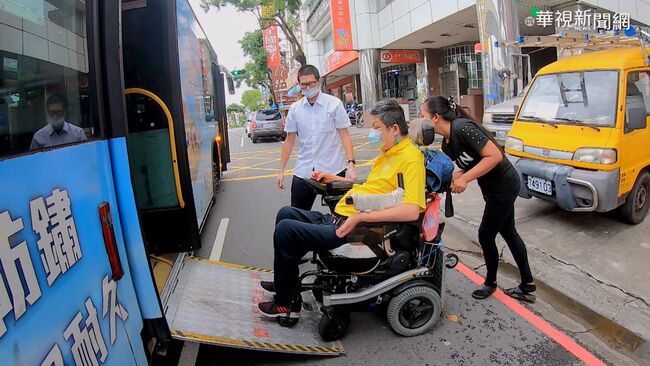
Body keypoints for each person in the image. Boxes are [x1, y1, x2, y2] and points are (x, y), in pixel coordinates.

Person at [259, 99, 426, 320]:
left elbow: (411, 210)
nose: (372, 134)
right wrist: (334, 178)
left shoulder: (410, 159)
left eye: (376, 128)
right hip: (344, 218)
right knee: (286, 213)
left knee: (286, 230)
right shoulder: (389, 153)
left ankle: (286, 303)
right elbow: (369, 187)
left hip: (362, 231)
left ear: (394, 129)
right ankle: (285, 281)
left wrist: (358, 218)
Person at [420, 96, 536, 303]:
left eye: (423, 117)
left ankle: (490, 282)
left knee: (485, 235)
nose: (421, 122)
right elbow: (475, 160)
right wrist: (459, 174)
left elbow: (494, 156)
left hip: (504, 184)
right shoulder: (447, 144)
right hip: (491, 187)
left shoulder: (463, 128)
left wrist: (465, 178)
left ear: (436, 117)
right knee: (509, 232)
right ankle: (527, 284)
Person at [277, 65, 357, 210]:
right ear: (299, 85)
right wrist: (281, 171)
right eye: (303, 84)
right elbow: (289, 140)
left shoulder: (334, 104)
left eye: (311, 83)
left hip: (333, 169)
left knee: (340, 215)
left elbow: (344, 135)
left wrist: (351, 164)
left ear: (318, 82)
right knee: (298, 216)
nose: (307, 87)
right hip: (304, 171)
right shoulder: (295, 109)